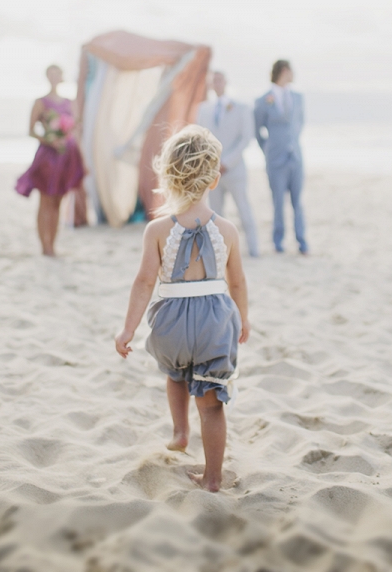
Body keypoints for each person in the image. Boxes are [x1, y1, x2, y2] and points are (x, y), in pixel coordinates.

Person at [115, 125, 250, 492]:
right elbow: (237, 282)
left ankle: (179, 431)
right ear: (214, 179)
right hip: (214, 323)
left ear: (168, 176)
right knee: (211, 405)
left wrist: (127, 329)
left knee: (174, 372)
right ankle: (212, 477)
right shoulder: (228, 230)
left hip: (172, 323)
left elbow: (144, 282)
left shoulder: (157, 230)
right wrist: (244, 318)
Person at [15, 65, 85, 256]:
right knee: (45, 201)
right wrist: (49, 139)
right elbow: (30, 130)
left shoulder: (71, 103)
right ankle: (44, 246)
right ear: (47, 77)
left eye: (57, 74)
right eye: (51, 74)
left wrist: (75, 150)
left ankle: (52, 244)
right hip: (47, 156)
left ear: (61, 77)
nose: (55, 77)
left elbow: (76, 127)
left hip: (67, 155)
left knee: (57, 202)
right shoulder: (40, 102)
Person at [196, 71, 259, 257]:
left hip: (234, 170)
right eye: (213, 80)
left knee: (244, 210)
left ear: (226, 81)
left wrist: (227, 162)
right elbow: (201, 138)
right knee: (215, 213)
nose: (216, 83)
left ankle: (254, 249)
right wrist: (211, 164)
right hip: (211, 171)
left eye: (219, 79)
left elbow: (246, 138)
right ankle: (218, 252)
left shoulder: (241, 107)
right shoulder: (203, 109)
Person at [254, 60, 308, 255]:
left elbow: (299, 124)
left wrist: (291, 143)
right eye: (292, 71)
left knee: (298, 202)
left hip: (295, 158)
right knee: (277, 203)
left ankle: (302, 242)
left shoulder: (298, 98)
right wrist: (268, 149)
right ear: (284, 71)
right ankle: (278, 242)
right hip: (275, 160)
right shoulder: (263, 100)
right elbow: (257, 129)